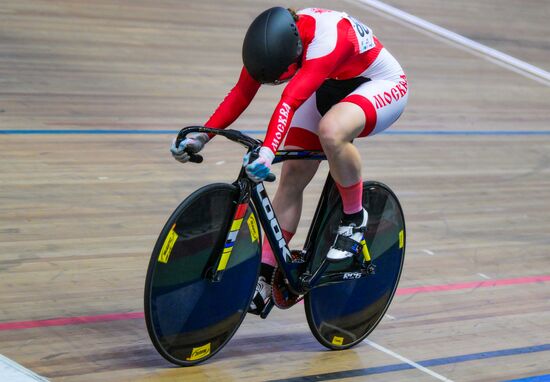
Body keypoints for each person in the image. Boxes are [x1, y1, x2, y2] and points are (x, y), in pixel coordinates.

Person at [171, 7, 409, 314]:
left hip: (380, 83)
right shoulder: (273, 45)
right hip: (328, 81)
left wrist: (268, 152)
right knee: (293, 174)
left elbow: (290, 101)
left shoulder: (325, 40)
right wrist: (202, 136)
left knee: (332, 131)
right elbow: (241, 93)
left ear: (295, 53)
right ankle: (266, 274)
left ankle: (354, 217)